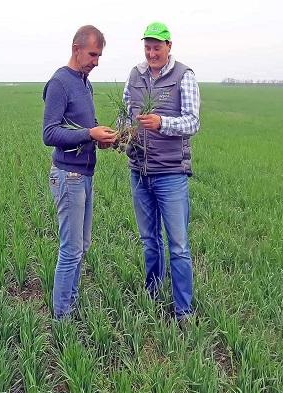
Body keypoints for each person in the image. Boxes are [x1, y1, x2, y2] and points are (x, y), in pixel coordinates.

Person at [122, 22, 201, 323]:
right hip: (139, 170)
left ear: (169, 46)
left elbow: (193, 122)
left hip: (170, 173)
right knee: (149, 239)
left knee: (178, 245)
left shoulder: (184, 76)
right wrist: (120, 135)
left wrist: (162, 123)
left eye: (157, 47)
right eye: (148, 47)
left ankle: (184, 311)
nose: (152, 52)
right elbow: (125, 111)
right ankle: (152, 294)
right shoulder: (135, 75)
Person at [42, 25, 117, 320]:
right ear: (76, 49)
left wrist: (104, 139)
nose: (96, 61)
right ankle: (62, 317)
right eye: (93, 54)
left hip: (85, 175)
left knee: (82, 246)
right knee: (71, 249)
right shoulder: (60, 83)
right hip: (68, 176)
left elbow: (88, 127)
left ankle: (70, 304)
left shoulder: (85, 83)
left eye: (99, 55)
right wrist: (89, 133)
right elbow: (49, 133)